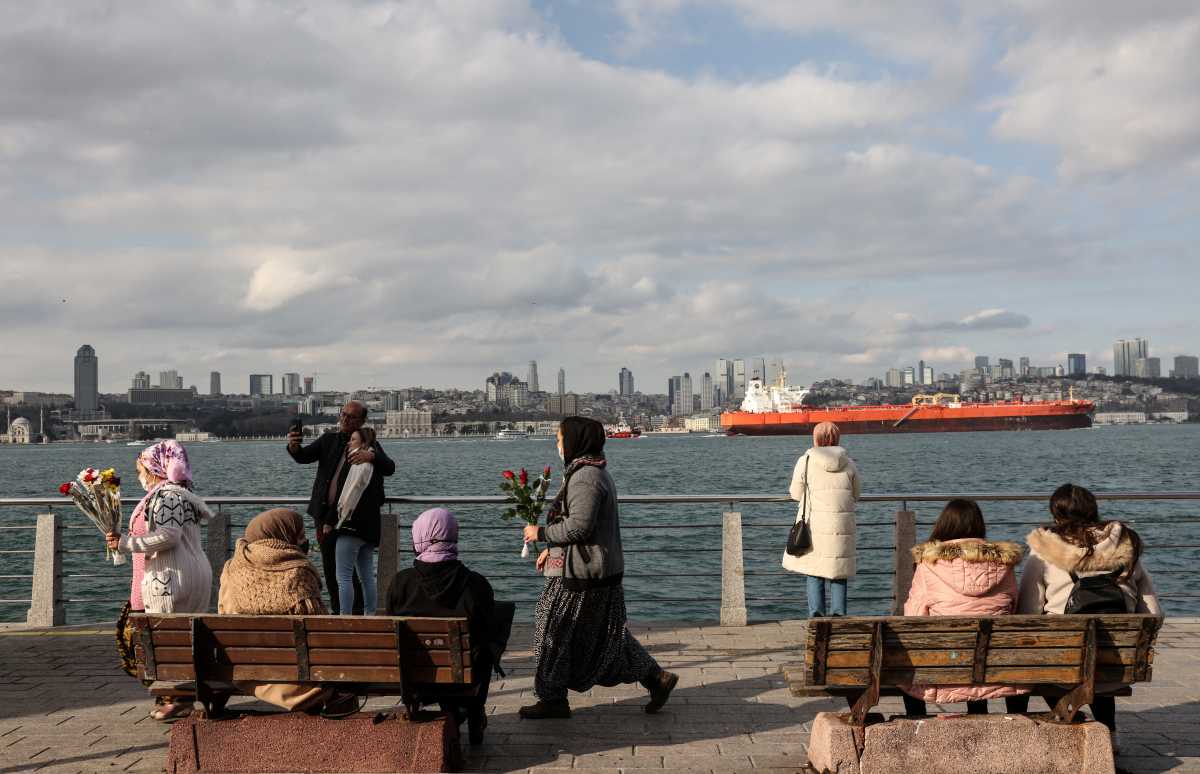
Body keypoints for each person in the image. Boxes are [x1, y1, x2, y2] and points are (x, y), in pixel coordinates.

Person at [519, 416, 679, 719]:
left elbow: (579, 527)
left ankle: (552, 698)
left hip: (582, 574)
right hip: (596, 570)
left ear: (576, 440)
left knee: (551, 627)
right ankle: (656, 678)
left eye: (560, 438)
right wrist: (553, 549)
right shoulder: (593, 471)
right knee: (602, 635)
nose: (557, 444)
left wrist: (540, 534)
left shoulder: (585, 478)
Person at [1011, 483, 1162, 734]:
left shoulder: (1044, 552)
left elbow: (1028, 614)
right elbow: (1153, 614)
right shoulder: (1126, 547)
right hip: (1116, 663)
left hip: (1060, 664)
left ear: (1057, 515)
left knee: (1020, 659)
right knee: (1099, 650)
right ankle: (1108, 734)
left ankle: (1040, 727)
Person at [107, 440, 212, 721]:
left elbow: (169, 536)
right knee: (167, 639)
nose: (139, 475)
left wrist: (126, 543)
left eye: (141, 468)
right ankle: (176, 695)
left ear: (156, 467)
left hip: (171, 577)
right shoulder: (176, 493)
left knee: (164, 639)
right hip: (179, 573)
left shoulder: (167, 496)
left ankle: (178, 697)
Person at [218, 508, 357, 715]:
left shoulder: (231, 569)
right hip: (297, 675)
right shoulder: (298, 572)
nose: (305, 540)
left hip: (241, 669)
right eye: (300, 535)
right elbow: (321, 635)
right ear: (284, 536)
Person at [900, 499, 1028, 716]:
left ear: (944, 526)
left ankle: (916, 721)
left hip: (944, 667)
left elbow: (914, 620)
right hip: (995, 667)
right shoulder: (1004, 565)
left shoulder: (928, 565)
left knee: (901, 668)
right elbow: (1013, 610)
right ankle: (980, 713)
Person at [387, 508, 496, 743]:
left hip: (414, 675)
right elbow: (486, 633)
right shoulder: (475, 584)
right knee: (487, 649)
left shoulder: (401, 583)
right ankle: (474, 710)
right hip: (464, 676)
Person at [287, 400, 395, 614]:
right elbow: (303, 457)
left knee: (351, 572)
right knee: (331, 567)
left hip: (351, 517)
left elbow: (389, 467)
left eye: (351, 417)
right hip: (323, 514)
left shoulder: (367, 444)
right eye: (343, 414)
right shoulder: (329, 440)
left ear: (362, 421)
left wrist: (371, 456)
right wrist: (294, 446)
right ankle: (340, 612)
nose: (345, 419)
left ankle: (355, 613)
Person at [781, 422, 860, 617]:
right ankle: (839, 618)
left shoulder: (806, 461)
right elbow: (856, 494)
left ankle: (816, 617)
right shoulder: (849, 462)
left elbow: (795, 493)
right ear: (837, 437)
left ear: (816, 438)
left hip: (814, 524)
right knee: (838, 571)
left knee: (814, 570)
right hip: (841, 526)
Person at [334, 427, 380, 615]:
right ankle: (371, 615)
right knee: (367, 576)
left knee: (343, 577)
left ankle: (345, 617)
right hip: (370, 529)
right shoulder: (374, 467)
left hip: (351, 526)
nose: (349, 442)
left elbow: (346, 498)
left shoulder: (357, 467)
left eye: (353, 439)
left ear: (363, 444)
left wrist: (335, 519)